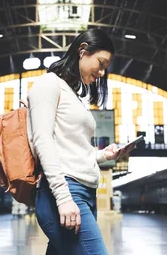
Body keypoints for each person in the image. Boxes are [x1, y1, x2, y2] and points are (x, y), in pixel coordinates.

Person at [27, 28, 122, 255]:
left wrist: (102, 155)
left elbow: (71, 148)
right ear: (82, 51)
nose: (101, 72)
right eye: (100, 63)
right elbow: (43, 140)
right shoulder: (49, 83)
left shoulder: (74, 95)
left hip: (85, 193)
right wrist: (63, 198)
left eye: (105, 67)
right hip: (65, 192)